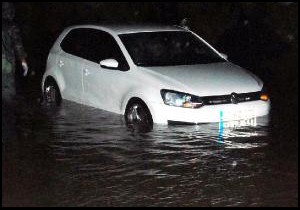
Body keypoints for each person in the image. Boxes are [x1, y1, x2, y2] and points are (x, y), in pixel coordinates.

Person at [2, 2, 28, 141]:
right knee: (8, 97)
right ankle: (8, 133)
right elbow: (18, 44)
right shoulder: (12, 26)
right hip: (6, 64)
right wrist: (23, 61)